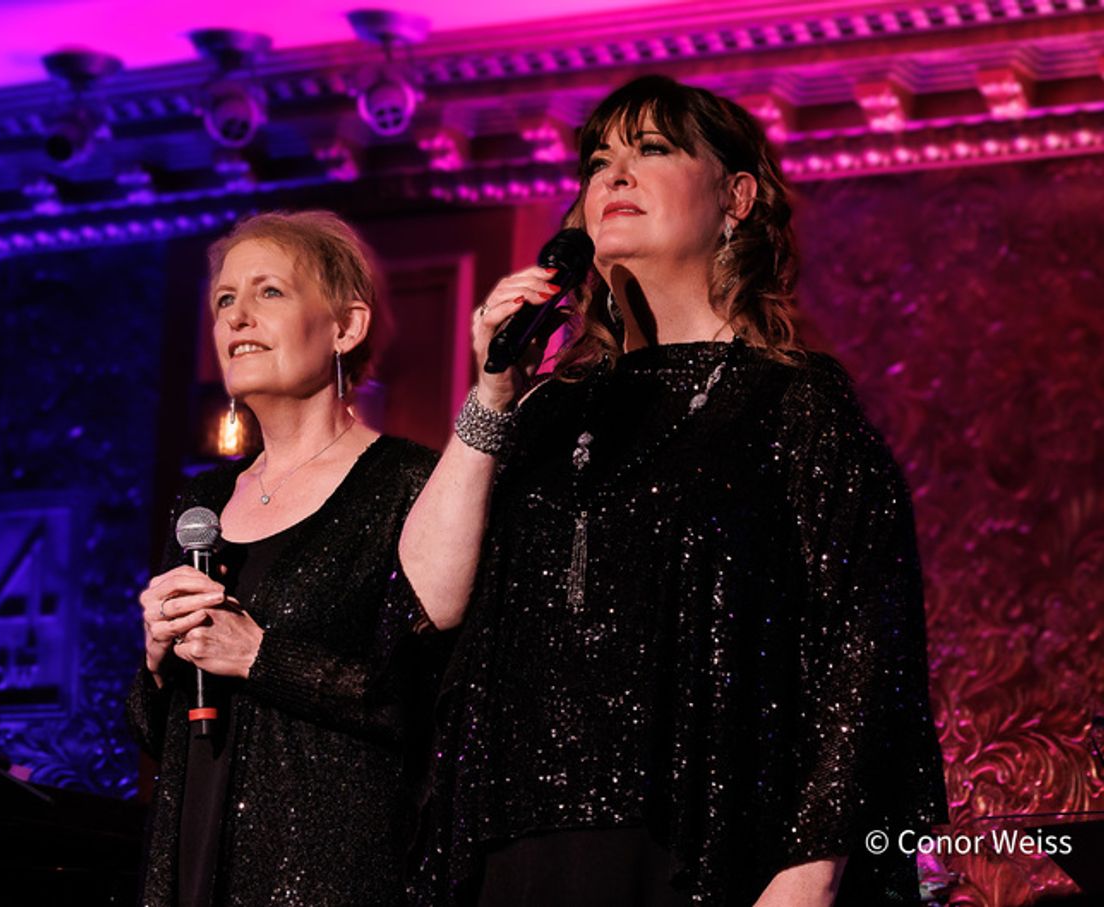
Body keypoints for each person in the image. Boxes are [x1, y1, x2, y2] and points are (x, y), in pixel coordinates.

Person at [399, 75, 948, 906]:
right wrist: (491, 396)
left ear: (736, 196)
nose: (613, 175)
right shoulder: (544, 412)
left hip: (701, 847)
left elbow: (866, 652)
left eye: (651, 149)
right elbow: (431, 600)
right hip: (513, 844)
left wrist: (812, 867)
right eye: (598, 161)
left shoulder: (796, 404)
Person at [126, 210, 440, 906]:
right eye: (224, 301)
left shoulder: (408, 485)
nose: (238, 317)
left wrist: (262, 657)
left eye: (268, 292)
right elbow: (156, 733)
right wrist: (154, 661)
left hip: (333, 865)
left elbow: (427, 703)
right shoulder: (202, 502)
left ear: (346, 327)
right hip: (192, 854)